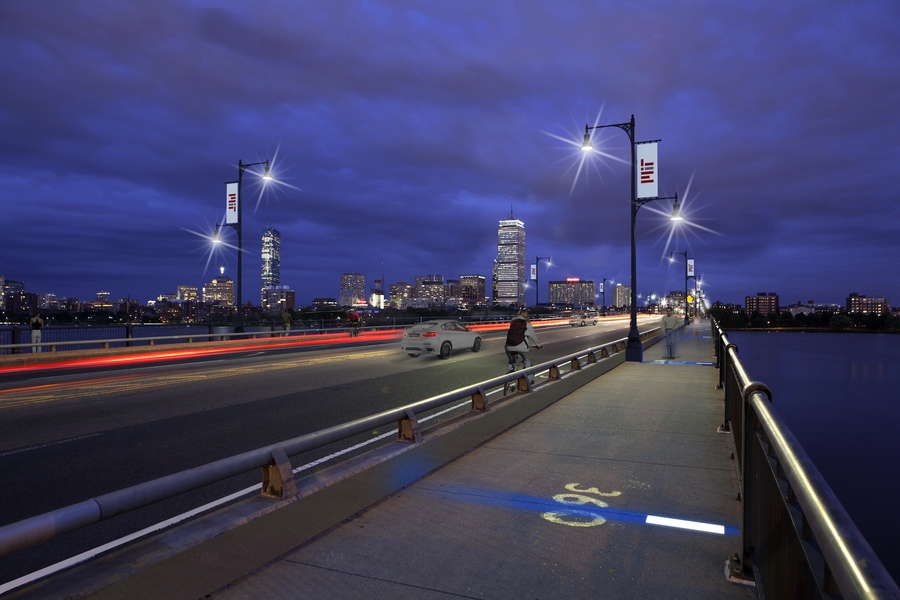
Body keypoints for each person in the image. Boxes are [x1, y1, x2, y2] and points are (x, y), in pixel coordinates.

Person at [505, 308, 542, 383]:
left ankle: (507, 377)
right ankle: (530, 379)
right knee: (527, 360)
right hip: (522, 347)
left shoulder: (512, 323)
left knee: (511, 361)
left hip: (509, 346)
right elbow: (533, 337)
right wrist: (538, 345)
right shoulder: (527, 324)